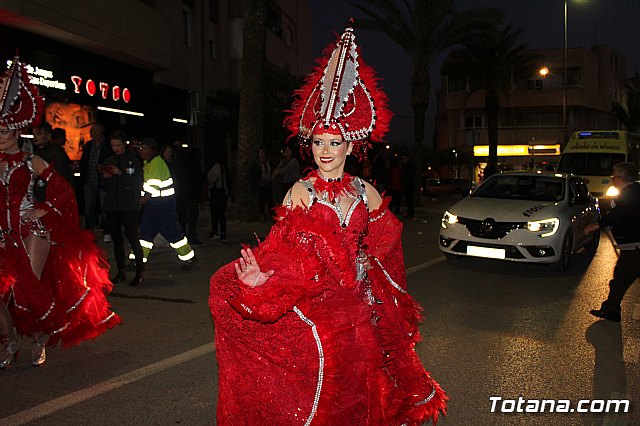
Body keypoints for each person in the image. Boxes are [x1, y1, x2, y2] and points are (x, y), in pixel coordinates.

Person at [209, 24, 447, 424]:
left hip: (362, 305)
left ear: (351, 146)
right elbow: (282, 252)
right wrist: (262, 278)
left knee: (366, 388)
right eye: (318, 142)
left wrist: (374, 276)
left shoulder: (364, 190)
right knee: (323, 393)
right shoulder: (300, 192)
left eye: (334, 143)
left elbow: (387, 239)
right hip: (320, 310)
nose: (324, 151)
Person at [0, 56, 120, 368]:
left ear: (17, 132)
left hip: (29, 231)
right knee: (2, 296)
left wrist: (45, 210)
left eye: (6, 131)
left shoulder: (30, 161)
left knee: (30, 289)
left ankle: (38, 339)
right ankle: (9, 341)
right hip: (2, 232)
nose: (1, 136)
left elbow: (63, 190)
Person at [585, 162, 640, 322]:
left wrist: (596, 224)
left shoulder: (630, 194)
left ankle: (611, 310)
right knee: (620, 281)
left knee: (620, 280)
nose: (612, 179)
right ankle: (611, 309)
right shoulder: (633, 192)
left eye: (614, 176)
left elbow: (618, 214)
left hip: (634, 248)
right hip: (632, 246)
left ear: (621, 178)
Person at [136, 137, 196, 269]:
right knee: (145, 233)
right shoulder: (149, 162)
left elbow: (152, 187)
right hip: (155, 204)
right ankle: (137, 259)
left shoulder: (156, 163)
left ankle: (188, 258)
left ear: (151, 150)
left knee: (172, 232)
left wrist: (141, 201)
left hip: (162, 205)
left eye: (143, 148)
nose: (141, 151)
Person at [100, 130, 145, 287]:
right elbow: (103, 186)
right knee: (117, 240)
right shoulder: (109, 160)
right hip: (112, 206)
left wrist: (121, 174)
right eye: (113, 145)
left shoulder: (133, 161)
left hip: (128, 206)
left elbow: (137, 183)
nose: (116, 148)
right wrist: (105, 178)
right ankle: (121, 271)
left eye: (118, 145)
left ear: (124, 144)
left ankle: (139, 272)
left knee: (133, 238)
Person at [80, 122, 114, 242]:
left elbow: (111, 161)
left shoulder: (107, 146)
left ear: (100, 131)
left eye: (93, 130)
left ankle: (107, 231)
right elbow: (84, 161)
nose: (91, 132)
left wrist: (104, 168)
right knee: (89, 207)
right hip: (90, 181)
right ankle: (90, 231)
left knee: (105, 208)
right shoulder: (89, 145)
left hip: (103, 182)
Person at [172, 140, 205, 245]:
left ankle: (183, 234)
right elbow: (198, 179)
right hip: (190, 193)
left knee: (182, 214)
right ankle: (190, 235)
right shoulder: (193, 163)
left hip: (180, 193)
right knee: (192, 214)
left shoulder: (178, 163)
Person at [207, 152, 228, 241]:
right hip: (221, 191)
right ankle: (222, 232)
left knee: (216, 213)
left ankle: (216, 231)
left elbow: (211, 179)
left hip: (217, 192)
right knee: (221, 213)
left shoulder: (216, 167)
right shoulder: (224, 167)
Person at [251, 146, 273, 220]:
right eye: (260, 153)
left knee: (270, 200)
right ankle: (262, 215)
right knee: (261, 200)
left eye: (263, 153)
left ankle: (271, 215)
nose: (262, 155)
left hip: (268, 184)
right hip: (261, 184)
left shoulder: (268, 162)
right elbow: (254, 175)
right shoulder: (257, 164)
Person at [401, 153, 417, 219]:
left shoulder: (409, 166)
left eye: (404, 158)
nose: (403, 160)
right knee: (409, 200)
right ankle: (410, 213)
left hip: (409, 185)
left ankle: (410, 214)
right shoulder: (407, 166)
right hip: (408, 185)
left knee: (409, 200)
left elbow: (409, 176)